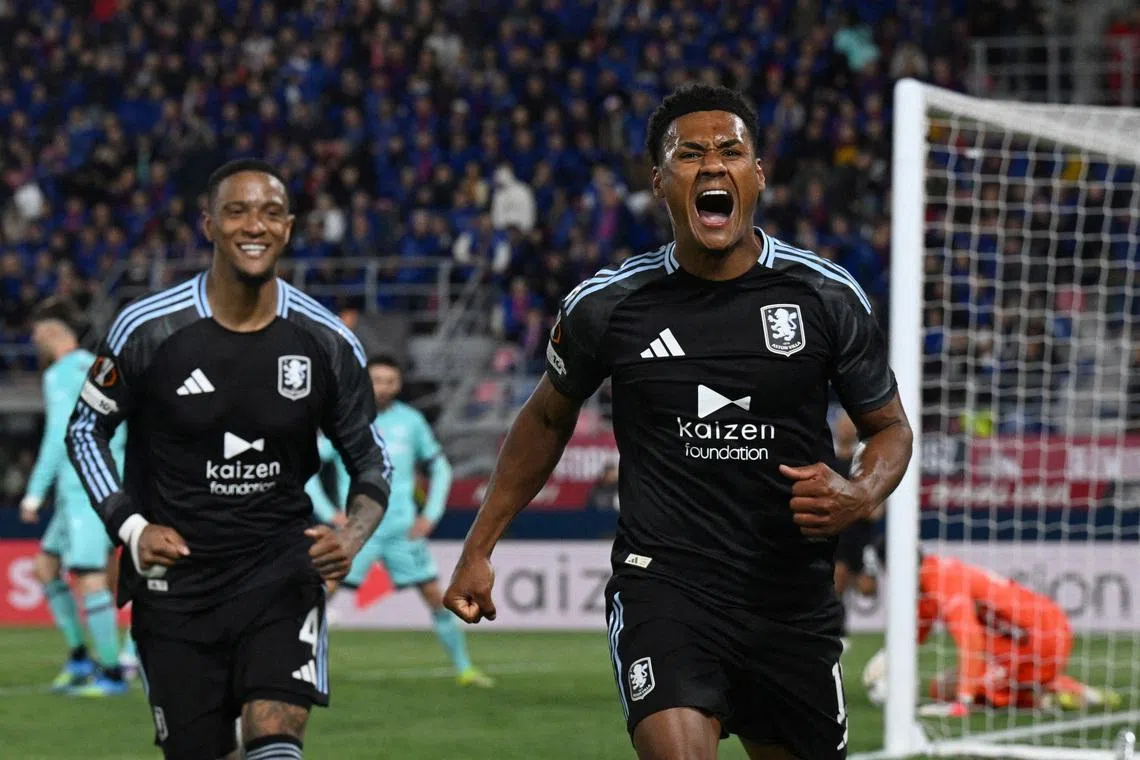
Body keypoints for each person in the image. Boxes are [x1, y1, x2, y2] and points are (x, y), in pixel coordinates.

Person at [444, 84, 913, 760]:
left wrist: (862, 491)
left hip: (790, 598)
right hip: (664, 585)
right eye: (689, 155)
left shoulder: (825, 296)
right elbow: (546, 416)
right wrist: (479, 547)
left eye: (731, 151)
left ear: (759, 174)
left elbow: (889, 427)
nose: (712, 166)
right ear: (660, 183)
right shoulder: (609, 306)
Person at [64, 158, 393, 760]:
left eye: (270, 213)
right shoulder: (147, 329)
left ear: (289, 228)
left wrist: (353, 534)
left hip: (279, 575)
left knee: (276, 733)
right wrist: (131, 529)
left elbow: (372, 459)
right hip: (175, 587)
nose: (254, 225)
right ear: (209, 225)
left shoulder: (326, 342)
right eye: (237, 210)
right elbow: (85, 431)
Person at [306, 355, 493, 688]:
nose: (382, 387)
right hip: (358, 530)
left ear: (399, 384)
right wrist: (328, 512)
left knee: (437, 596)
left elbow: (440, 467)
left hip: (401, 530)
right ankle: (302, 667)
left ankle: (464, 669)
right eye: (376, 380)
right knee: (321, 593)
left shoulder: (411, 421)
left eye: (389, 381)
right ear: (365, 381)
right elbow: (309, 468)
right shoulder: (348, 418)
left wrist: (430, 514)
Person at [19, 298, 129, 695]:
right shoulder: (101, 367)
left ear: (51, 332)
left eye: (35, 335)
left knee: (89, 575)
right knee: (46, 568)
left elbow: (58, 437)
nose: (34, 342)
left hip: (82, 488)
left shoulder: (60, 374)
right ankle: (81, 657)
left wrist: (33, 493)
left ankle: (113, 673)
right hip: (97, 485)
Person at [864, 552, 1122, 716]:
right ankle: (1073, 692)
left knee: (951, 691)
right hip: (1036, 636)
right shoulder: (934, 572)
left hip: (1037, 640)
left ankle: (1041, 700)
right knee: (940, 687)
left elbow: (971, 638)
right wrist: (888, 656)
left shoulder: (941, 579)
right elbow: (917, 630)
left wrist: (963, 701)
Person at [830, 410, 884, 643]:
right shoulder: (826, 461)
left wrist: (847, 502)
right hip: (837, 534)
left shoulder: (864, 462)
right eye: (841, 424)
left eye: (849, 424)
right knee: (837, 577)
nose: (845, 428)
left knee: (866, 589)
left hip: (862, 537)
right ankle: (838, 630)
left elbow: (875, 510)